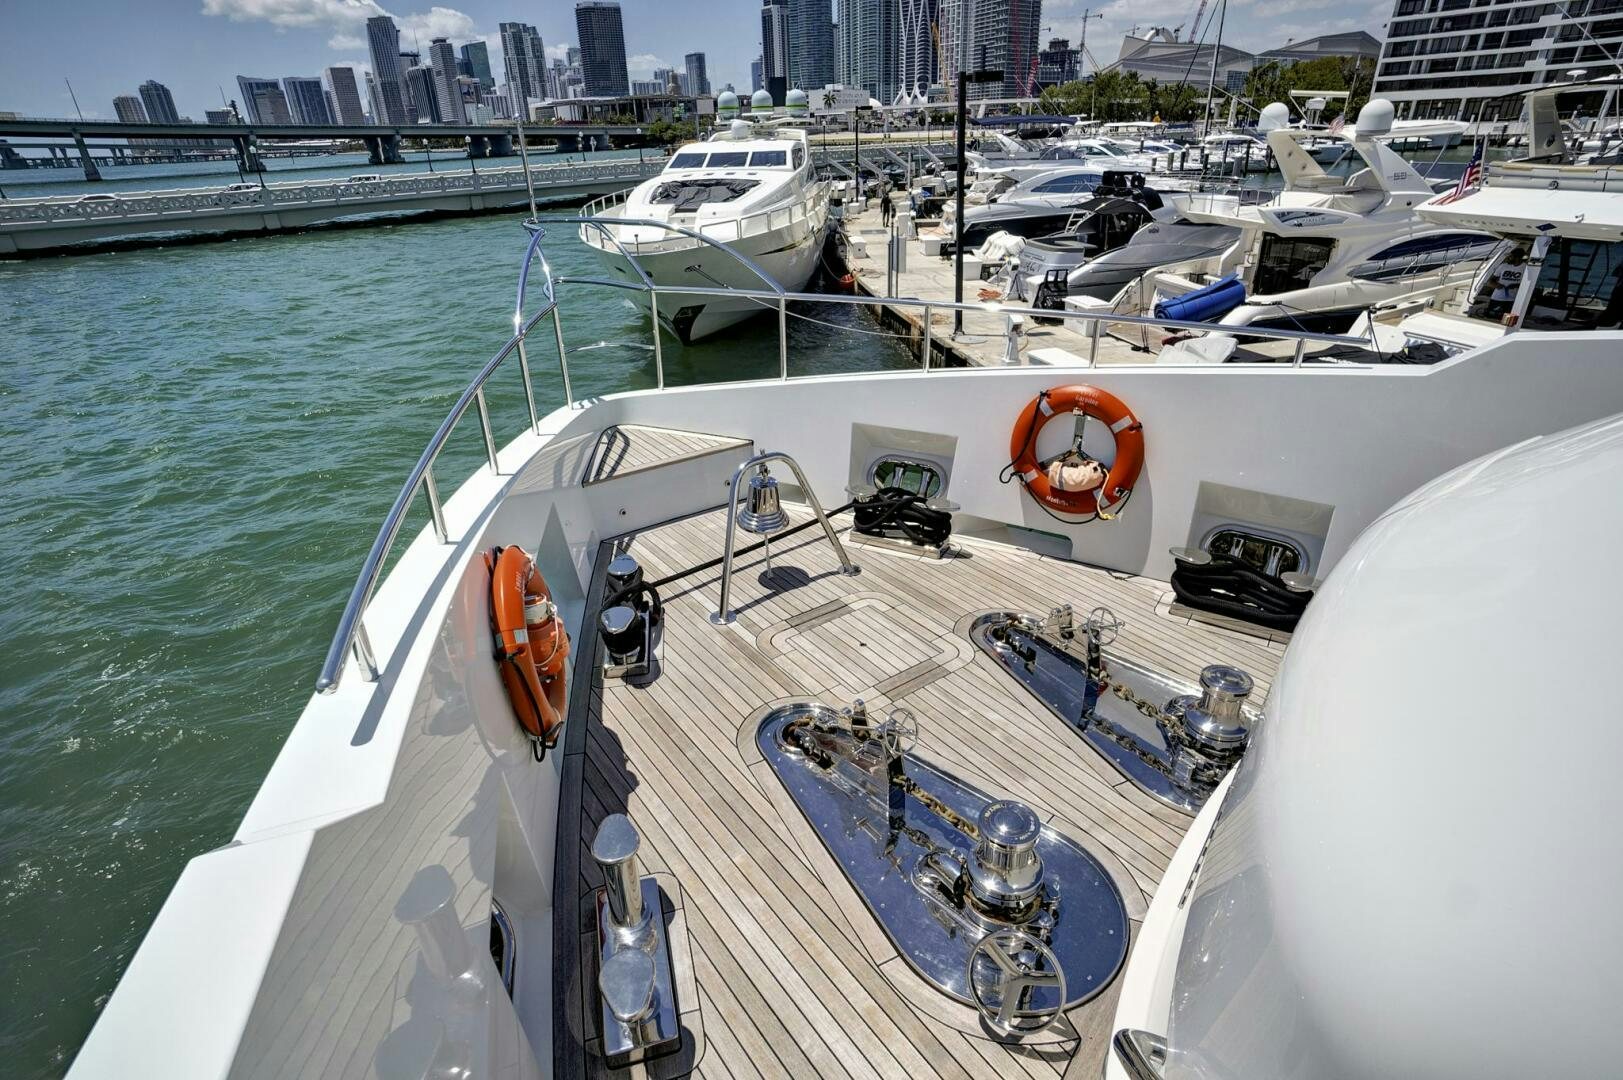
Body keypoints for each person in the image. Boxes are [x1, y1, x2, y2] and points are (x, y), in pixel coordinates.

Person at [1486, 247, 1526, 320]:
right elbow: (1491, 280)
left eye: (1511, 256)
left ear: (1517, 258)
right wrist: (1495, 285)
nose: (1509, 258)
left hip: (1512, 300)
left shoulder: (1525, 268)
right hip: (1496, 298)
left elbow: (1527, 284)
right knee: (1491, 319)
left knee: (1505, 321)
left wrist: (1516, 285)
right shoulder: (1503, 266)